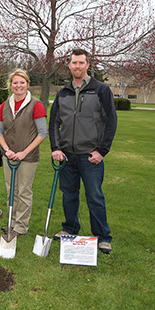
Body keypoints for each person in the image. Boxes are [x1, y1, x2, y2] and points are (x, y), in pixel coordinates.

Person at [49, 48, 117, 254]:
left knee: (94, 196)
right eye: (74, 63)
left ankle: (103, 237)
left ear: (88, 65)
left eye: (81, 63)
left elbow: (111, 122)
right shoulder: (63, 93)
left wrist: (101, 151)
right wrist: (56, 148)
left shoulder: (101, 90)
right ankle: (69, 229)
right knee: (69, 195)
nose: (77, 66)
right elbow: (54, 123)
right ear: (68, 65)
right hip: (67, 156)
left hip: (90, 156)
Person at [0, 69, 47, 238]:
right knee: (12, 190)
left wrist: (24, 152)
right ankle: (11, 221)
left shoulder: (35, 105)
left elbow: (42, 133)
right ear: (10, 86)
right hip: (9, 156)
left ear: (28, 84)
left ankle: (21, 226)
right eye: (15, 83)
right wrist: (7, 151)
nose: (19, 86)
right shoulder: (5, 105)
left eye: (22, 82)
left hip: (28, 157)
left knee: (24, 191)